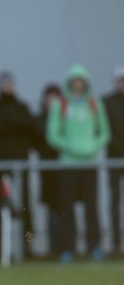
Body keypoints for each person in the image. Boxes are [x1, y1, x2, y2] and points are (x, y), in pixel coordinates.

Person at [46, 64, 111, 263]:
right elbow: (53, 135)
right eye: (74, 80)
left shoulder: (94, 104)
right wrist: (73, 147)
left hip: (90, 165)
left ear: (86, 83)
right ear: (69, 83)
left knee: (92, 209)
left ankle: (95, 247)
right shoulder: (61, 105)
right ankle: (68, 249)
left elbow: (105, 132)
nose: (78, 84)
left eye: (81, 80)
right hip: (68, 165)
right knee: (67, 209)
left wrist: (92, 146)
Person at [0, 71, 36, 258]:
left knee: (25, 206)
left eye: (9, 83)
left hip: (21, 165)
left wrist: (8, 124)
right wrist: (14, 126)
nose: (6, 87)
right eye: (3, 84)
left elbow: (28, 125)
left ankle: (28, 244)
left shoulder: (22, 107)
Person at [33, 84, 63, 257]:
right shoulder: (39, 120)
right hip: (47, 171)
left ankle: (64, 246)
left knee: (64, 208)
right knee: (51, 210)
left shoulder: (64, 119)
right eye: (49, 97)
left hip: (64, 169)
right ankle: (53, 247)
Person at [103, 65, 124, 257]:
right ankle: (117, 243)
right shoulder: (106, 102)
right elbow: (104, 130)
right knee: (114, 202)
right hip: (114, 158)